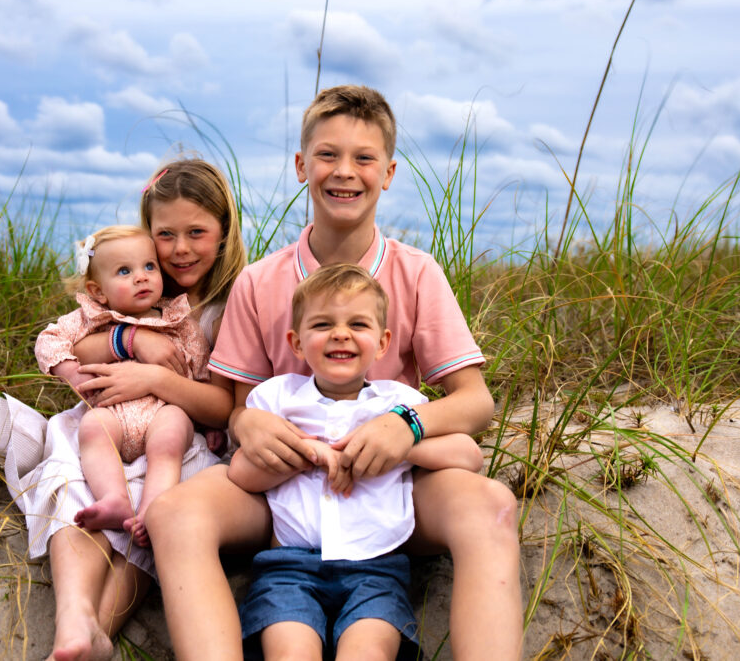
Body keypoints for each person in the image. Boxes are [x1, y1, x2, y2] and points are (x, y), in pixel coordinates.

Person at [146, 86, 523, 660]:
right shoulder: (262, 281)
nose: (345, 172)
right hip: (280, 493)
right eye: (327, 155)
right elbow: (236, 405)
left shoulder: (418, 274)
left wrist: (406, 427)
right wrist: (250, 428)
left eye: (364, 158)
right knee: (175, 514)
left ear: (389, 172)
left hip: (388, 486)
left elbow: (475, 402)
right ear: (302, 165)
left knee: (491, 505)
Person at [0, 159, 245, 661]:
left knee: (151, 509)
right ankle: (74, 616)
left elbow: (226, 407)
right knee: (78, 489)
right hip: (110, 426)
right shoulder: (136, 291)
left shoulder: (229, 304)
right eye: (165, 235)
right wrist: (130, 337)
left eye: (197, 233)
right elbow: (77, 343)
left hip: (175, 432)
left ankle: (94, 630)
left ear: (224, 232)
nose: (180, 249)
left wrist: (156, 377)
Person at [228, 264, 484, 660]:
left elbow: (469, 454)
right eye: (322, 324)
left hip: (375, 568)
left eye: (358, 324)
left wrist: (400, 446)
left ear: (383, 344)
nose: (341, 333)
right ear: (296, 343)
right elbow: (241, 473)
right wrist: (308, 454)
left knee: (368, 652)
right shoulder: (277, 398)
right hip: (289, 567)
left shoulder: (396, 403)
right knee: (290, 652)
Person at [36, 224, 210, 547]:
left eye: (148, 266)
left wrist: (209, 426)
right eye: (124, 271)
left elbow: (200, 369)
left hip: (163, 411)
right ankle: (114, 498)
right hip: (111, 410)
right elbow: (49, 340)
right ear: (98, 291)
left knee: (170, 440)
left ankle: (153, 508)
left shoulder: (179, 321)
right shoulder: (91, 318)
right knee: (92, 428)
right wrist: (72, 372)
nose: (141, 277)